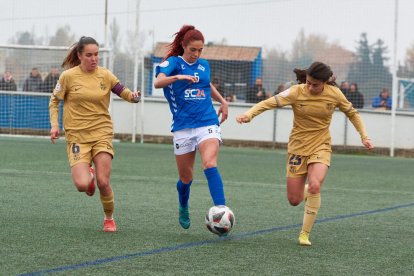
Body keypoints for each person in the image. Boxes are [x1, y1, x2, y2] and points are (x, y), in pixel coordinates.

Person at [236, 61, 374, 246]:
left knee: (316, 184)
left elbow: (353, 113)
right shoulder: (296, 91)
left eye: (315, 84)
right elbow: (268, 103)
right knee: (294, 200)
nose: (310, 87)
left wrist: (364, 136)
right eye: (308, 82)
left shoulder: (335, 94)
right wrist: (249, 115)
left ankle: (304, 234)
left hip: (321, 145)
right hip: (297, 148)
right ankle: (307, 192)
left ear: (325, 82)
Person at [49, 36, 141, 232]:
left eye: (96, 54)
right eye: (89, 55)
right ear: (80, 55)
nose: (94, 58)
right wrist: (54, 125)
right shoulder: (68, 77)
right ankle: (87, 176)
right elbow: (54, 101)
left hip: (102, 133)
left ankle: (109, 218)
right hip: (77, 136)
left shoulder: (105, 75)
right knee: (82, 185)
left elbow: (122, 90)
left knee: (103, 181)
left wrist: (133, 97)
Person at [153, 25, 230, 230]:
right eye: (193, 50)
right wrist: (178, 77)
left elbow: (206, 84)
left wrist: (223, 101)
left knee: (209, 164)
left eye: (200, 50)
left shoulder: (204, 65)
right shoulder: (173, 63)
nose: (196, 54)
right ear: (183, 46)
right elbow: (158, 83)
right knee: (186, 178)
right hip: (183, 127)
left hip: (207, 122)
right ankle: (183, 205)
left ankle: (221, 210)